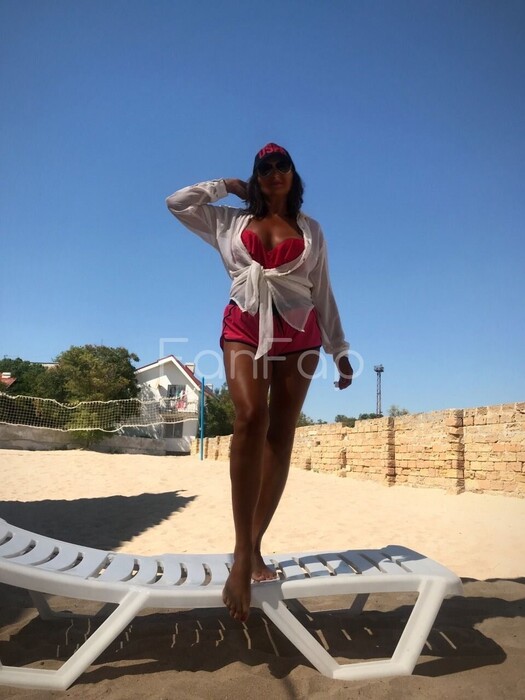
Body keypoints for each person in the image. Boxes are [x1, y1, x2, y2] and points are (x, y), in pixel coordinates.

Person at [166, 143, 353, 622]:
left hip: (300, 334)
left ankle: (254, 545)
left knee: (280, 437)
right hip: (244, 325)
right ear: (255, 177)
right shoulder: (228, 222)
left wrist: (340, 350)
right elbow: (177, 203)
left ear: (293, 174)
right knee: (250, 417)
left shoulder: (311, 230)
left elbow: (323, 291)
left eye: (281, 165)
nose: (273, 172)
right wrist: (226, 186)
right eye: (263, 167)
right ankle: (240, 552)